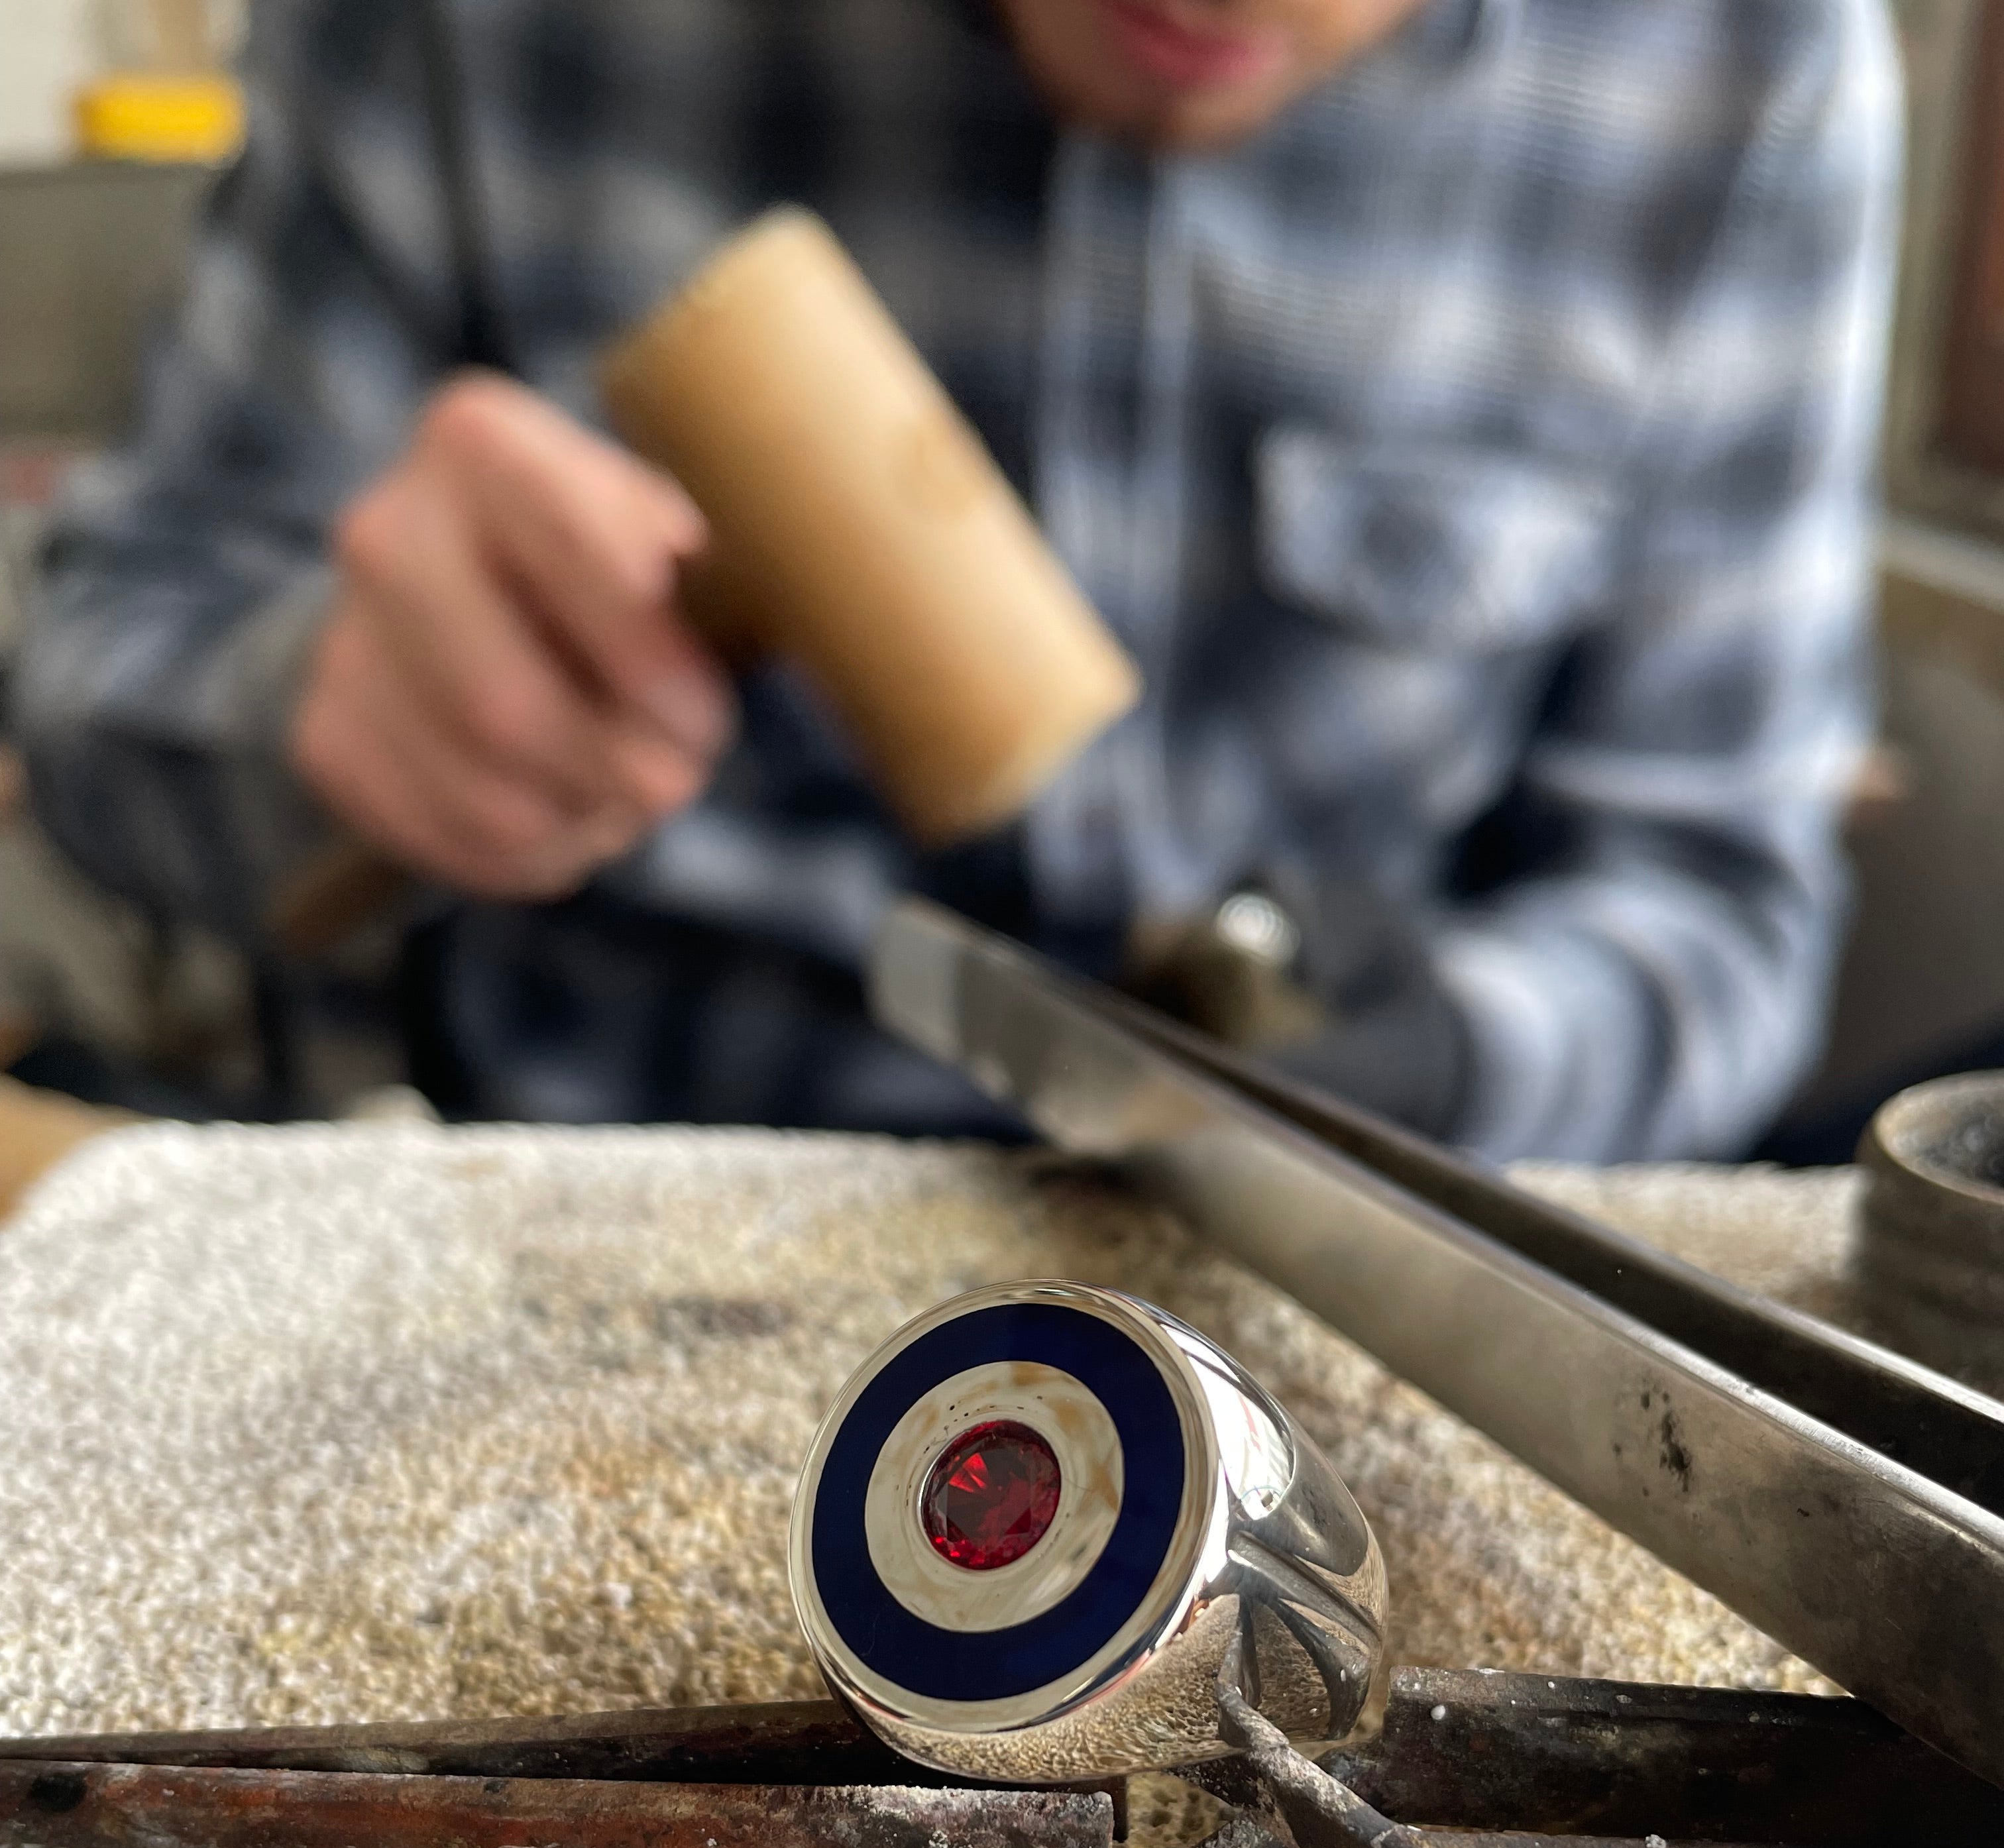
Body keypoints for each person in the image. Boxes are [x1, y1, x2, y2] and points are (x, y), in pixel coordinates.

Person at [18, 0, 1901, 1156]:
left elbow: (1716, 901)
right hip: (577, 1190)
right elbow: (98, 694)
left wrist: (1462, 1058)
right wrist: (306, 716)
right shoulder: (482, 24)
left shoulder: (1748, 65)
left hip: (1305, 1280)